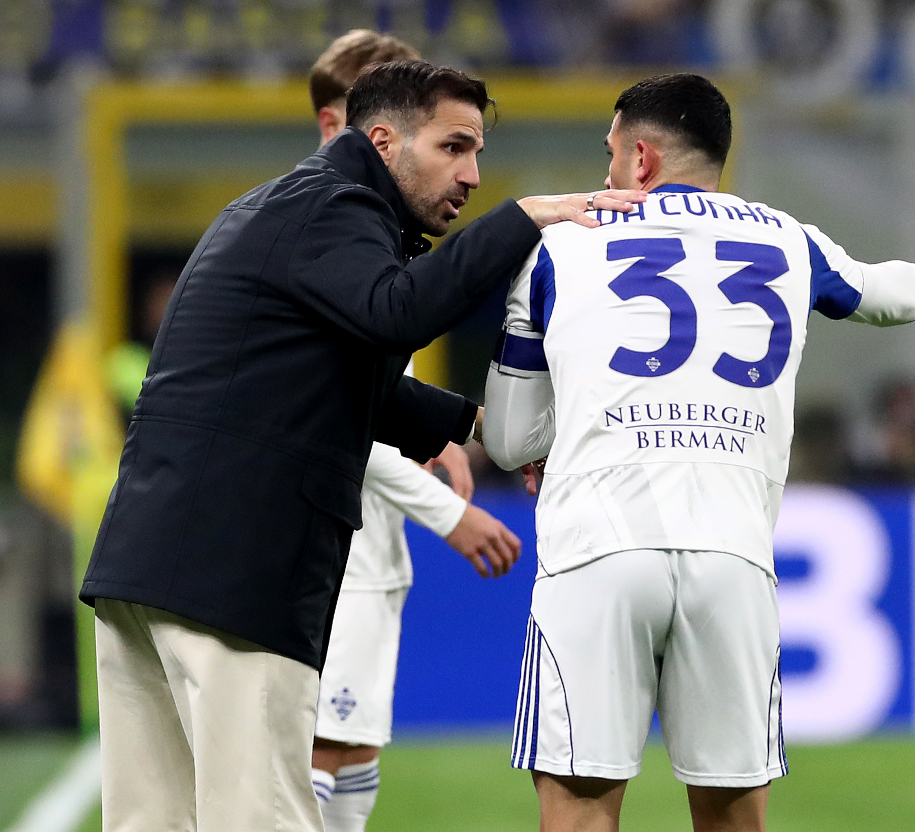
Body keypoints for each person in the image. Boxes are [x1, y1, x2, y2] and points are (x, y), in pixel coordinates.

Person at [80, 59, 645, 832]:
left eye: (477, 152)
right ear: (383, 140)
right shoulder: (333, 206)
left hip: (151, 564)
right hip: (233, 575)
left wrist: (476, 426)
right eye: (453, 147)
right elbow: (396, 314)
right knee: (262, 820)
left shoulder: (291, 207)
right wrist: (526, 220)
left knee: (153, 823)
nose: (473, 173)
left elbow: (346, 377)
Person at [481, 73, 915, 832]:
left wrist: (556, 442)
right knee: (731, 814)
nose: (606, 173)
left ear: (642, 159)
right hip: (733, 558)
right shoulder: (789, 239)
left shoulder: (560, 246)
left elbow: (511, 439)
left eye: (611, 154)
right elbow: (891, 295)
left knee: (580, 806)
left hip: (599, 549)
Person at [305, 31, 521, 832]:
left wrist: (445, 430)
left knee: (353, 751)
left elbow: (368, 386)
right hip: (333, 538)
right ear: (346, 124)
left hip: (372, 544)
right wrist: (448, 511)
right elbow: (323, 403)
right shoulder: (315, 224)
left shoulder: (370, 228)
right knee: (325, 749)